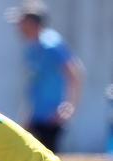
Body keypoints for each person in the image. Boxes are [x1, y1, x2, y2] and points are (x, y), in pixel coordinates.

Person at [14, 1, 82, 152]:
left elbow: (75, 72)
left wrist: (69, 106)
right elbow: (35, 82)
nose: (18, 27)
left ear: (32, 23)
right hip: (36, 118)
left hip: (51, 119)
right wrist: (28, 114)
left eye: (21, 22)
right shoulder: (32, 47)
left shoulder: (52, 45)